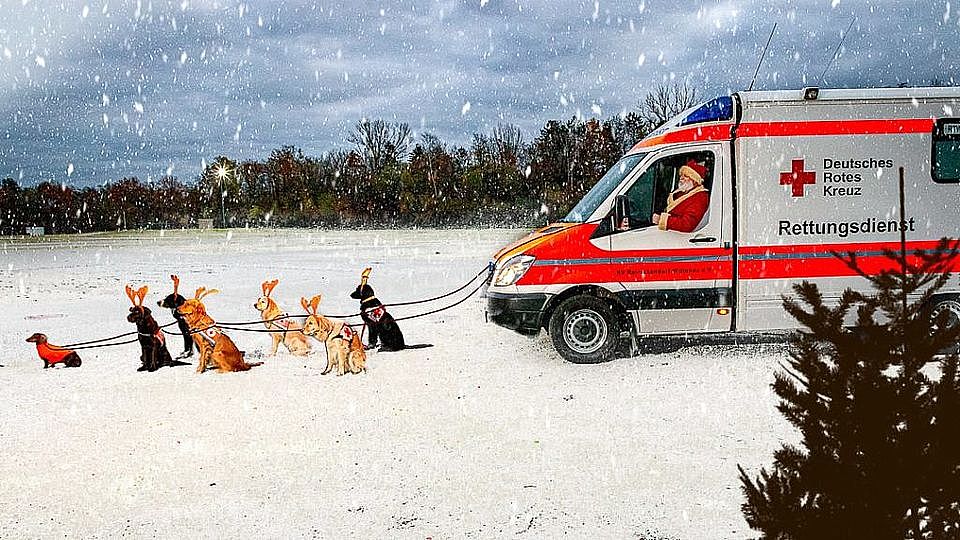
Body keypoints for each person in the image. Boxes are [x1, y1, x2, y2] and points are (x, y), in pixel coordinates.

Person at [652, 159, 710, 232]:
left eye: (686, 176)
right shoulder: (682, 192)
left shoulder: (700, 197)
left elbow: (687, 224)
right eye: (681, 175)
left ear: (695, 180)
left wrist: (662, 220)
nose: (681, 178)